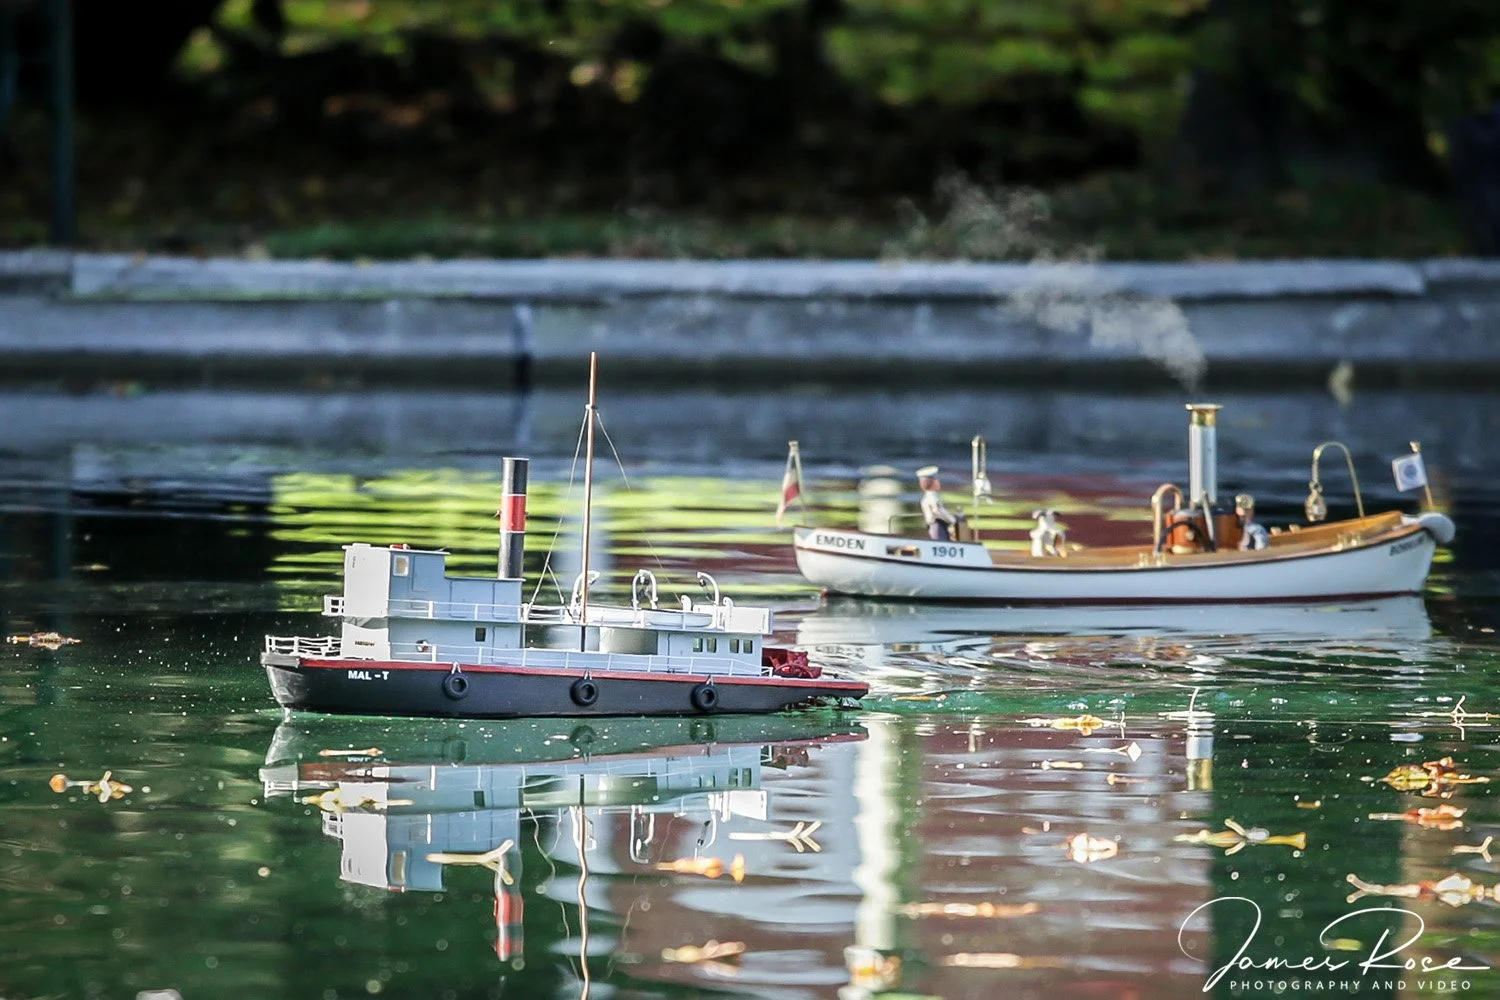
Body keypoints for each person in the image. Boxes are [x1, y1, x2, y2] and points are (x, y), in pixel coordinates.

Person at [917, 466, 960, 541]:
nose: (939, 483)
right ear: (932, 482)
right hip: (938, 527)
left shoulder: (925, 497)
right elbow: (938, 510)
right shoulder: (933, 497)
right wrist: (953, 520)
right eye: (937, 481)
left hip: (932, 526)